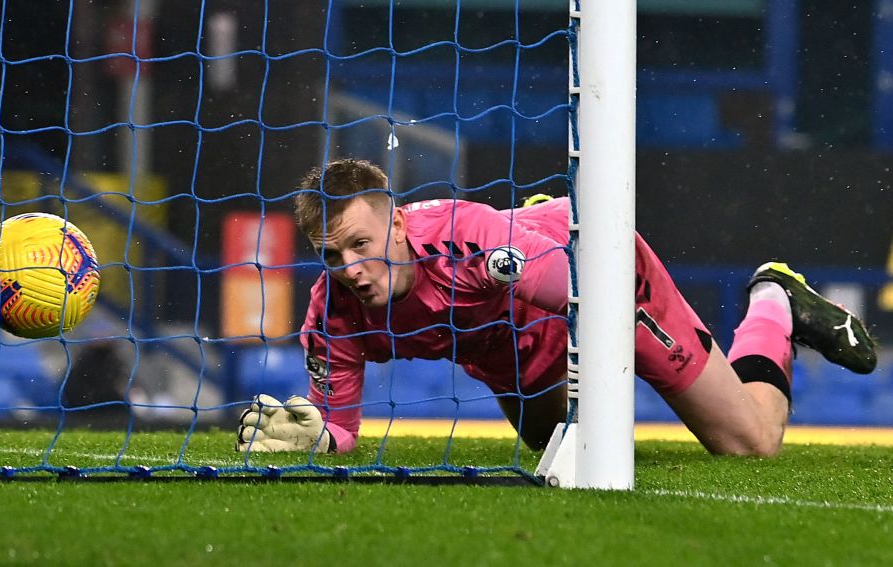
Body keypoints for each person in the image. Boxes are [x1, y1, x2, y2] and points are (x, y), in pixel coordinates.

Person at [236, 158, 877, 456]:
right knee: (557, 457)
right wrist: (319, 439)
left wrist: (595, 363)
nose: (350, 270)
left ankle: (773, 299)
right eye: (330, 255)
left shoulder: (464, 240)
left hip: (596, 276)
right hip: (513, 359)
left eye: (360, 246)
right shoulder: (331, 316)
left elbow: (583, 287)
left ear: (398, 224)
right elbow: (342, 429)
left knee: (750, 443)